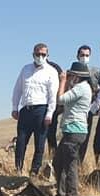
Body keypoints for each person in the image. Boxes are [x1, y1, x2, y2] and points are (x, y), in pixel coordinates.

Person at [12, 43, 59, 176]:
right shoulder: (25, 69)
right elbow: (17, 89)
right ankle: (18, 169)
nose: (40, 56)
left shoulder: (51, 72)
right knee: (21, 141)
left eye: (43, 54)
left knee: (39, 143)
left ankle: (34, 171)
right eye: (38, 54)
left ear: (47, 55)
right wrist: (15, 107)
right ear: (33, 54)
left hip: (41, 110)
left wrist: (50, 113)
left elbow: (52, 95)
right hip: (26, 109)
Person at [53, 62, 93, 196]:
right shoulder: (82, 88)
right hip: (73, 129)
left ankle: (71, 195)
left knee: (68, 164)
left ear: (77, 76)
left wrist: (63, 81)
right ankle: (63, 193)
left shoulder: (81, 88)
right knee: (60, 162)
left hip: (74, 129)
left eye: (71, 75)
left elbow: (60, 99)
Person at [76, 45, 100, 162]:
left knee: (84, 137)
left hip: (89, 109)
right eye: (82, 55)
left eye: (87, 55)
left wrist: (98, 103)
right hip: (74, 109)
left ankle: (79, 164)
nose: (84, 57)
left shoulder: (95, 71)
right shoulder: (72, 71)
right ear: (77, 56)